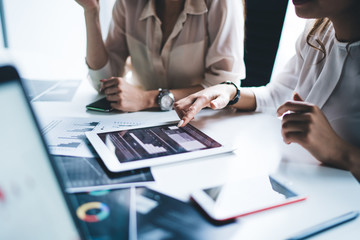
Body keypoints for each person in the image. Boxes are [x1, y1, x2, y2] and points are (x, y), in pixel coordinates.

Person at [174, 0, 360, 181]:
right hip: (299, 182)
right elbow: (278, 95)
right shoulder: (317, 33)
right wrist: (230, 92)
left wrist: (340, 152)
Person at [75, 0, 245, 112]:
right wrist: (91, 11)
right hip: (145, 122)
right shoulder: (128, 3)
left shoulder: (222, 3)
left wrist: (146, 99)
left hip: (206, 122)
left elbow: (222, 88)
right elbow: (103, 83)